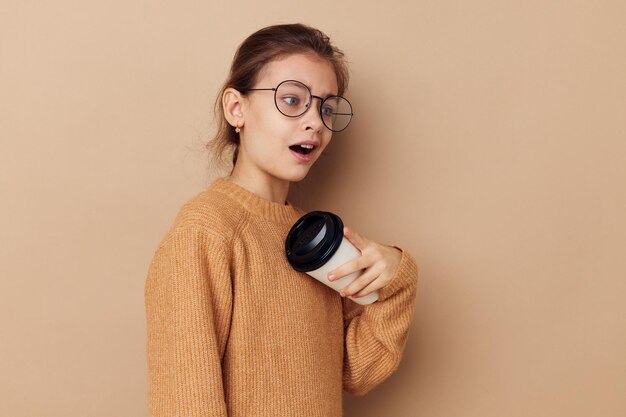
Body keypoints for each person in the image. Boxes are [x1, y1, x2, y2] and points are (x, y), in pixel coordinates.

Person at [145, 23, 418, 417]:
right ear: (236, 108)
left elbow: (357, 371)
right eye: (292, 100)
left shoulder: (315, 239)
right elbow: (184, 403)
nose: (315, 122)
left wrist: (397, 281)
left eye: (325, 107)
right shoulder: (206, 231)